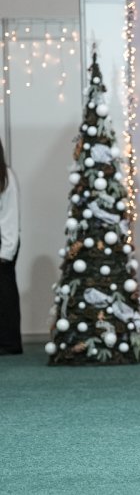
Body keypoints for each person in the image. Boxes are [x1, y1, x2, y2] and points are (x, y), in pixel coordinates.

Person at [0, 138, 21, 355]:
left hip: (4, 240)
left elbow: (9, 217)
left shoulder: (6, 177)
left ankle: (9, 343)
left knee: (5, 295)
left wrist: (6, 252)